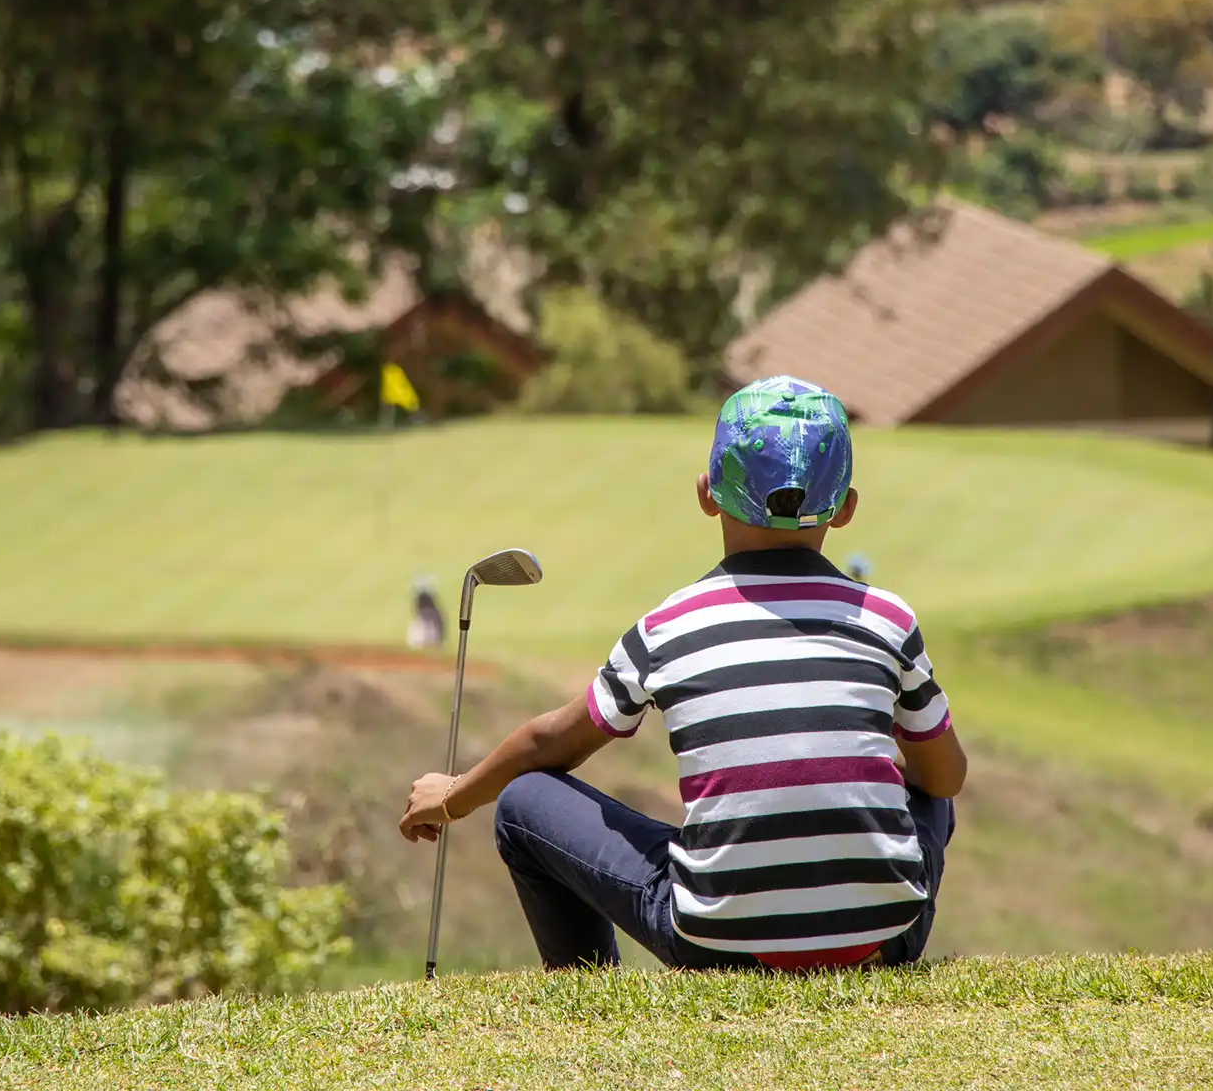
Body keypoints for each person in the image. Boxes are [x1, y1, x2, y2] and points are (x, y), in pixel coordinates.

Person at [399, 376, 966, 971]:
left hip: (717, 946)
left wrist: (453, 796)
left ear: (707, 493)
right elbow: (946, 778)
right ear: (846, 507)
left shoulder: (667, 627)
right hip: (886, 939)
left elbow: (548, 745)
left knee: (523, 801)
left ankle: (587, 990)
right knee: (929, 774)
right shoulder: (888, 619)